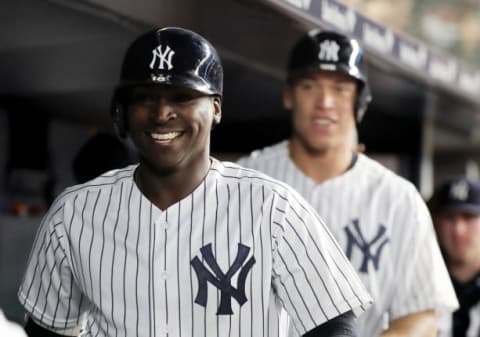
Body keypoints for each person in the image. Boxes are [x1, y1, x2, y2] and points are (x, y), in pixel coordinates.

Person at [17, 26, 373, 337]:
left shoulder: (274, 209)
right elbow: (48, 329)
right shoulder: (73, 213)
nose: (161, 113)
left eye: (182, 97)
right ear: (122, 111)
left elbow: (334, 328)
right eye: (144, 98)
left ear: (215, 108)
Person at [237, 29, 459, 337]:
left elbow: (420, 317)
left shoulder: (398, 198)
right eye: (309, 85)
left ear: (361, 102)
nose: (325, 102)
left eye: (341, 88)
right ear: (289, 95)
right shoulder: (242, 180)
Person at [429, 177, 480, 337]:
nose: (458, 230)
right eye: (450, 218)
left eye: (468, 217)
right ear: (436, 223)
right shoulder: (421, 283)